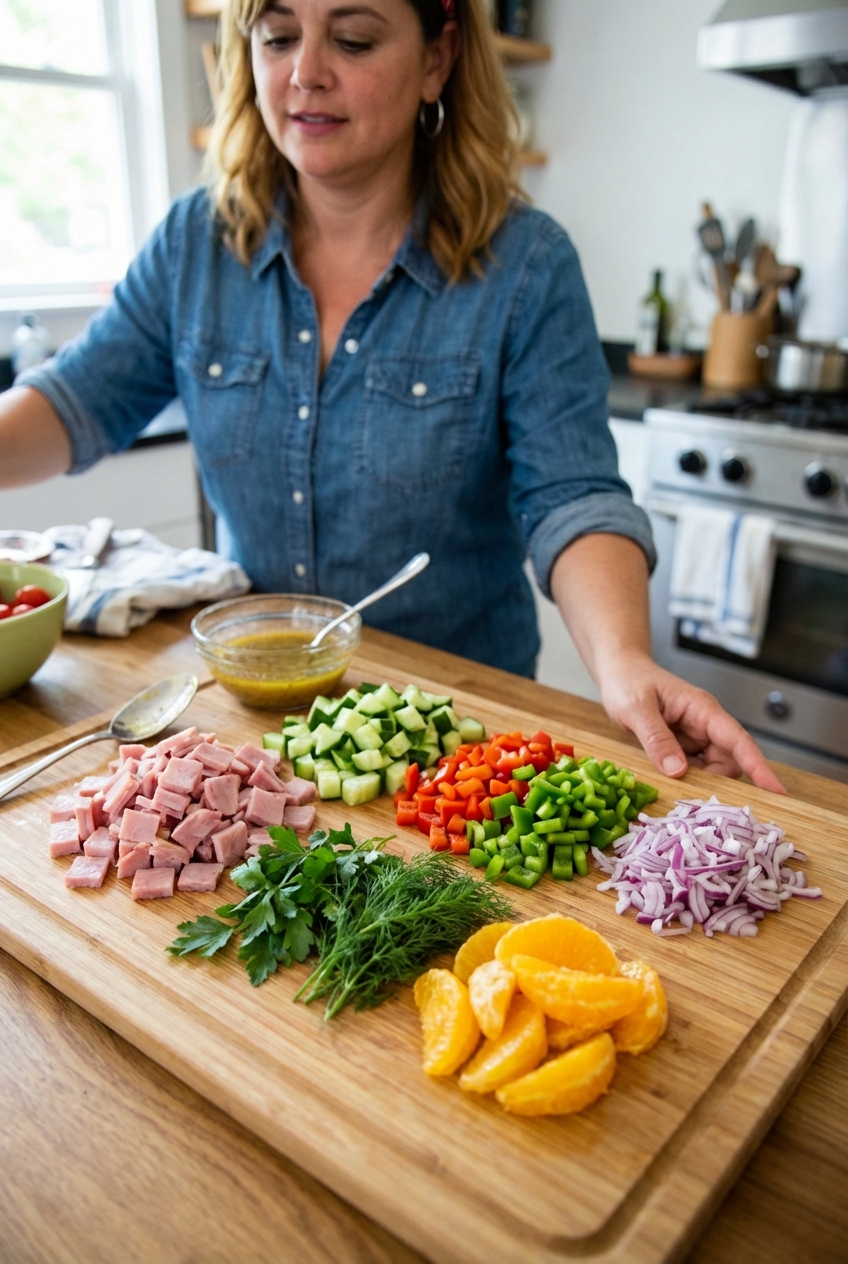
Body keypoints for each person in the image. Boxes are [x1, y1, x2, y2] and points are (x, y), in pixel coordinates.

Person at [0, 0, 783, 793]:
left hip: (454, 741)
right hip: (251, 726)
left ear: (437, 59)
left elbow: (573, 497)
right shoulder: (194, 245)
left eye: (353, 38)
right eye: (277, 37)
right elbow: (72, 402)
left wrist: (623, 662)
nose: (305, 73)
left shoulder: (526, 266)